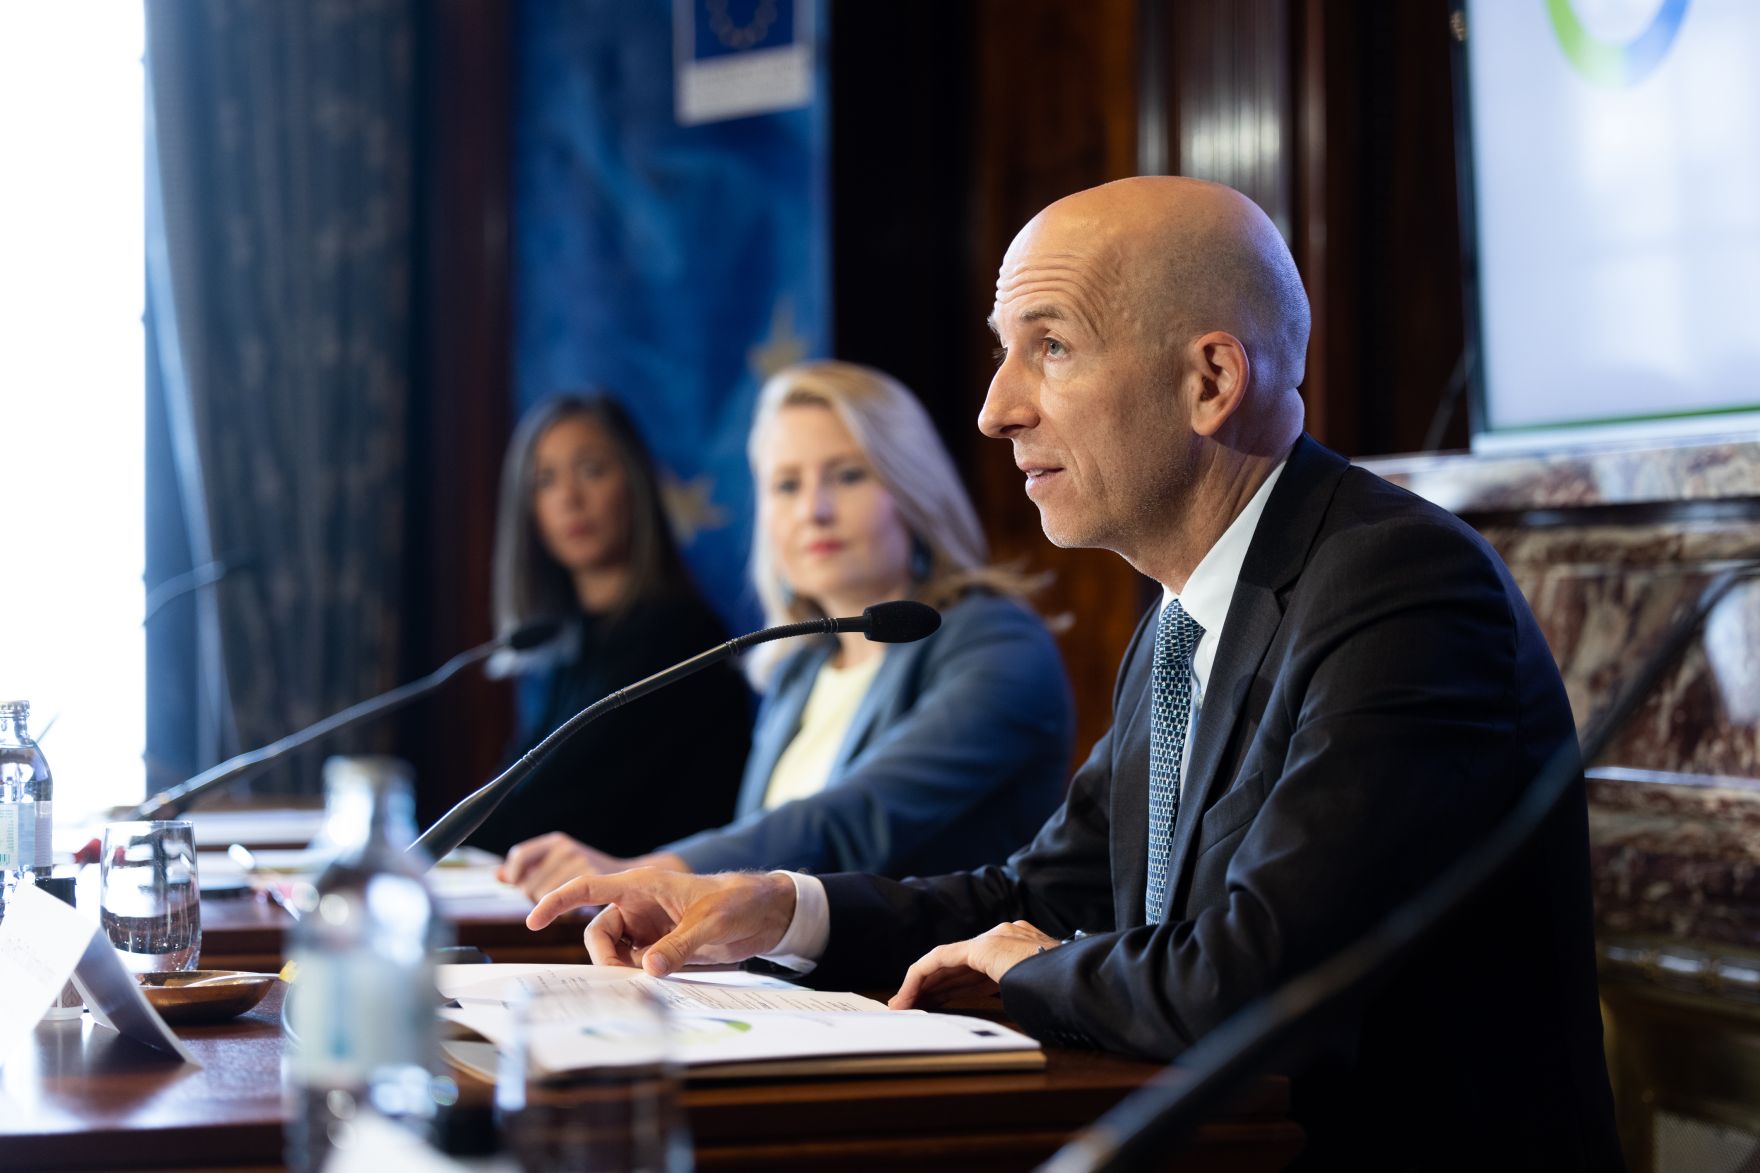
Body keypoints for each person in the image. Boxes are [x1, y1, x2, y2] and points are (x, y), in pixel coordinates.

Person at [525, 179, 1623, 1168]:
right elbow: (1048, 893)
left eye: (1048, 345)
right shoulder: (1183, 613)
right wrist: (778, 908)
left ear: (1209, 379)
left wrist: (1024, 969)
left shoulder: (1400, 586)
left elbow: (1251, 979)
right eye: (1004, 350)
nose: (995, 408)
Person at [497, 361, 1074, 901]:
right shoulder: (799, 668)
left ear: (911, 487)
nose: (813, 510)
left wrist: (655, 872)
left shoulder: (999, 643)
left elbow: (853, 820)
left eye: (846, 476)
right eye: (787, 485)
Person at [466, 393, 750, 858]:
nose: (569, 498)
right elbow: (514, 792)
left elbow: (554, 810)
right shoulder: (578, 643)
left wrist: (424, 858)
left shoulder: (678, 637)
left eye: (592, 470)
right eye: (545, 481)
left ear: (635, 485)